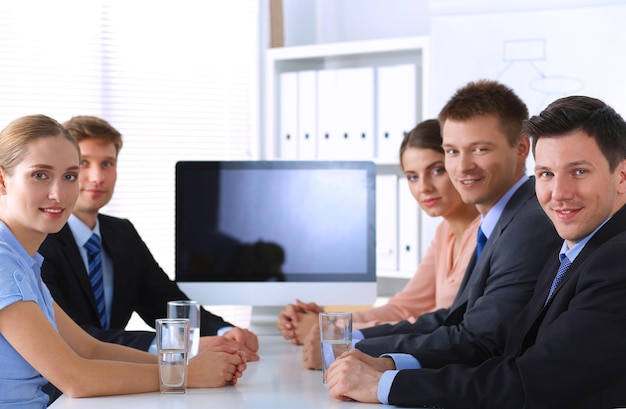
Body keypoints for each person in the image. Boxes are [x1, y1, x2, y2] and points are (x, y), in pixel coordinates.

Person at [325, 95, 626, 409]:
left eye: (579, 172)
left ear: (622, 176)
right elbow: (502, 348)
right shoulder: (573, 250)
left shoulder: (615, 261)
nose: (559, 194)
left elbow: (533, 380)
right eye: (546, 174)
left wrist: (387, 385)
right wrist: (389, 365)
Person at [302, 80, 562, 368]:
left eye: (479, 149)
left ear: (522, 148)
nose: (462, 167)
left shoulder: (528, 226)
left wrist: (345, 350)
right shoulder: (502, 220)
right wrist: (350, 339)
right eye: (452, 151)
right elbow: (451, 317)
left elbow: (481, 340)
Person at [0, 114, 247, 408]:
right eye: (40, 175)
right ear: (2, 180)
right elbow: (76, 378)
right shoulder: (4, 261)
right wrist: (183, 374)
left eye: (69, 176)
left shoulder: (25, 262)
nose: (58, 193)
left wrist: (182, 362)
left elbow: (88, 349)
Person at [38, 116, 259, 355]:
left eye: (107, 164)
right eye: (83, 163)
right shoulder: (41, 241)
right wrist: (176, 346)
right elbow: (72, 335)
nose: (97, 177)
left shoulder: (122, 233)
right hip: (61, 386)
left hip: (118, 378)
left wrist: (222, 331)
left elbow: (163, 300)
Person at [276, 119, 480, 345]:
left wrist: (334, 328)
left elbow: (440, 325)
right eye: (412, 176)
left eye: (437, 171)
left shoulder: (484, 236)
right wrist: (327, 320)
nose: (423, 187)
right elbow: (403, 308)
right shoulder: (445, 233)